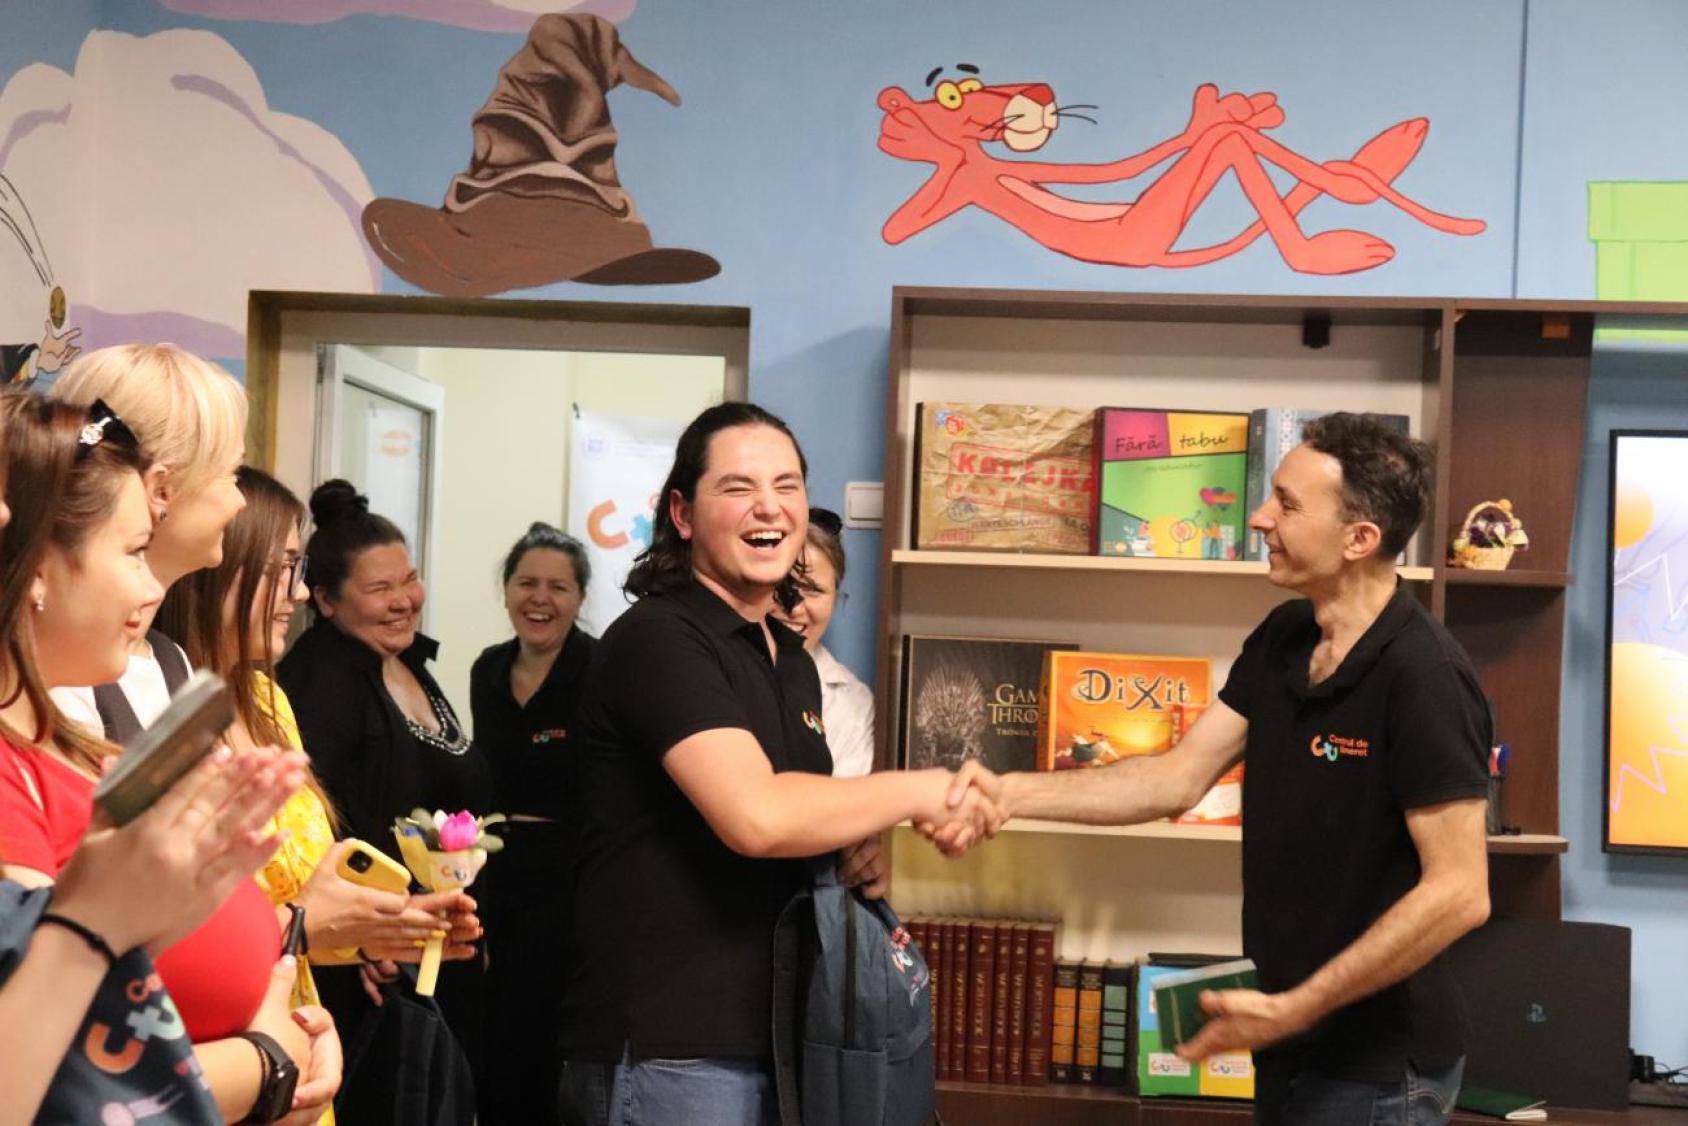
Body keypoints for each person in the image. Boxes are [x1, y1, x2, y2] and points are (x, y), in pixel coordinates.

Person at [942, 413, 1493, 1126]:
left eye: (1288, 505)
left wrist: (1296, 1007)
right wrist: (1012, 791)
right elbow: (1174, 777)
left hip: (1379, 1067)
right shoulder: (1285, 635)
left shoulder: (1427, 676)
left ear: (1360, 539)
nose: (1260, 517)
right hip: (1288, 1039)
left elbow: (1460, 892)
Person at [556, 402, 998, 1126]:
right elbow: (756, 816)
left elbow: (793, 818)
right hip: (671, 1053)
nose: (769, 507)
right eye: (737, 487)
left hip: (779, 1042)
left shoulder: (786, 659)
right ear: (683, 513)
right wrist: (921, 789)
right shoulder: (657, 639)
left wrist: (855, 851)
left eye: (787, 485)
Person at [0, 392, 338, 1125]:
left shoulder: (83, 747)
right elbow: (41, 1070)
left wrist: (300, 1031)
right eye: (131, 552)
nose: (152, 587)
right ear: (32, 568)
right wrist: (267, 1063)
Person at [154, 468, 480, 1053]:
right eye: (284, 568)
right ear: (218, 568)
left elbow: (304, 905)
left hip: (293, 1031)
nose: (298, 592)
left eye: (298, 571)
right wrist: (307, 924)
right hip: (208, 1045)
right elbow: (171, 943)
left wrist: (383, 927)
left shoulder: (264, 699)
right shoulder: (156, 711)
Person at [277, 478, 494, 1106]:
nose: (404, 601)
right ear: (325, 600)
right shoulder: (321, 681)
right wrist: (367, 935)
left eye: (409, 580)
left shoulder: (407, 661)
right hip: (370, 969)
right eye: (379, 589)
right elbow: (320, 821)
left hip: (427, 949)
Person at [48, 343, 249, 740]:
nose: (241, 501)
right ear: (161, 488)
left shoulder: (170, 659)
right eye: (232, 474)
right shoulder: (60, 675)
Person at [469, 522, 597, 1126]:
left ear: (579, 598)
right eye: (526, 583)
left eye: (558, 587)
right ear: (505, 590)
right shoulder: (486, 671)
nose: (539, 599)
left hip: (571, 877)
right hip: (492, 872)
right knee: (488, 1028)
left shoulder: (601, 671)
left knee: (545, 1033)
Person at [771, 506, 874, 778]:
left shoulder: (853, 702)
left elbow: (844, 808)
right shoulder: (712, 666)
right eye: (782, 585)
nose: (793, 608)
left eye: (813, 589)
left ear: (837, 600)